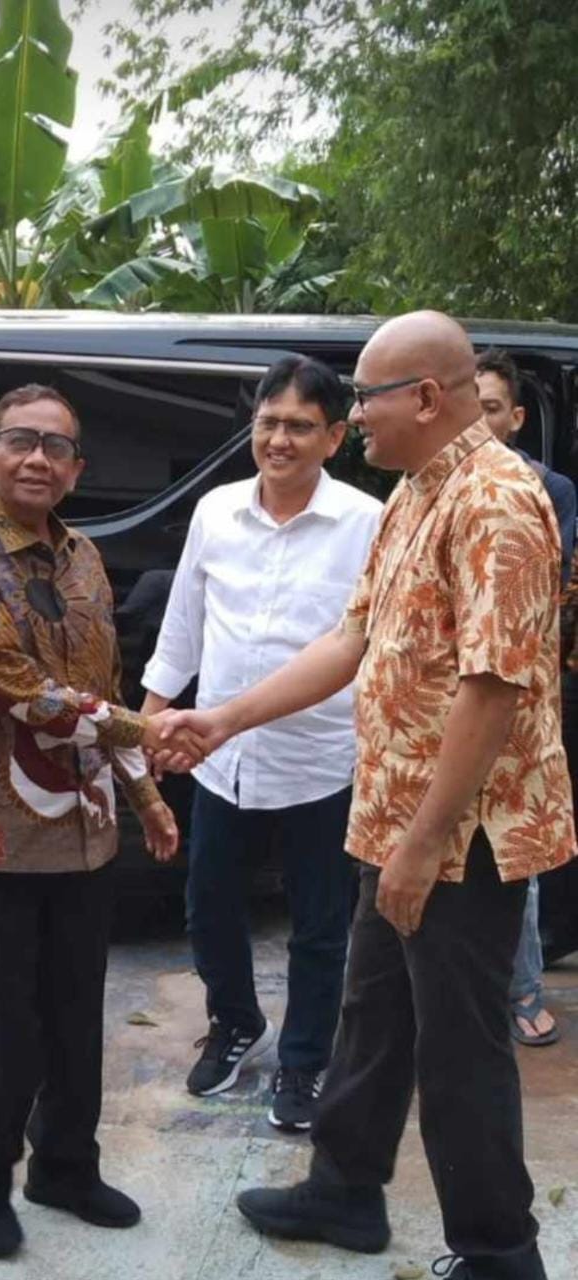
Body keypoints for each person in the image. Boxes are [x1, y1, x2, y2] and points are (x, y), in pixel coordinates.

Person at [161, 313, 575, 1280]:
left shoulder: (497, 502)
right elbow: (350, 642)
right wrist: (222, 719)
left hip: (458, 834)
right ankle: (345, 1189)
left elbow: (494, 685)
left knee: (459, 1045)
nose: (356, 416)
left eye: (362, 398)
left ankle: (499, 1251)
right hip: (393, 815)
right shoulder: (415, 493)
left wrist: (425, 844)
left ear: (425, 397)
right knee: (372, 1009)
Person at [0, 384, 198, 1260]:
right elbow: (33, 699)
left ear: (75, 470)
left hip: (81, 834)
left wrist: (145, 796)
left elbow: (98, 690)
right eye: (20, 441)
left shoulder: (83, 559)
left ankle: (66, 1168)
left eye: (55, 447)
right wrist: (151, 733)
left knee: (75, 1018)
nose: (36, 458)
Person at [140, 355, 381, 1129]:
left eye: (299, 427)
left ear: (334, 436)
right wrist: (148, 723)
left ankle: (306, 1063)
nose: (279, 440)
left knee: (318, 926)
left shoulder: (366, 523)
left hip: (320, 759)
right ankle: (235, 1022)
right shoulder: (215, 511)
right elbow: (183, 625)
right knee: (208, 904)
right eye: (268, 423)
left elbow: (366, 645)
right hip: (219, 759)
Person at [477, 346, 576, 1048]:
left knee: (514, 848)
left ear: (513, 419)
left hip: (515, 692)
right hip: (437, 705)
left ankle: (521, 990)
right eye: (466, 406)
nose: (475, 422)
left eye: (488, 409)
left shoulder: (548, 490)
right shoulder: (425, 487)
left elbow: (548, 590)